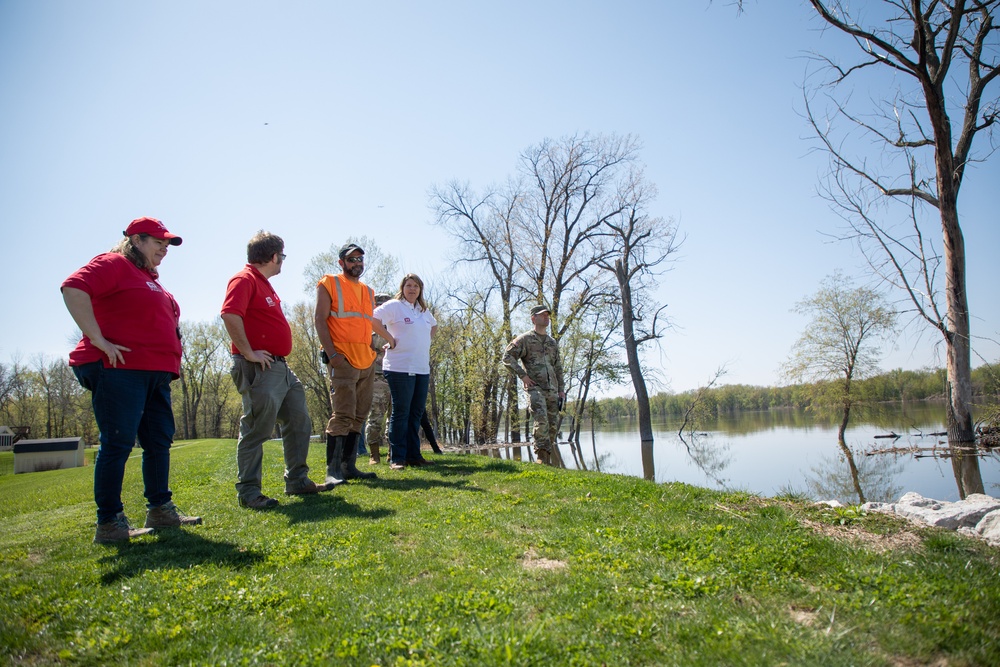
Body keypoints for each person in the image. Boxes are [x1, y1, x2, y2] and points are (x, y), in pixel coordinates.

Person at [61, 217, 202, 543]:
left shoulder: (148, 277)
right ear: (135, 240)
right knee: (118, 442)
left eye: (167, 245)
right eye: (158, 243)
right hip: (119, 370)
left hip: (155, 374)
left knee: (158, 442)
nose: (164, 250)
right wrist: (98, 339)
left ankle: (160, 510)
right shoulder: (113, 263)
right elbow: (73, 287)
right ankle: (109, 523)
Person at [221, 231, 331, 510]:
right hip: (259, 366)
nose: (282, 261)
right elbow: (230, 314)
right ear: (273, 256)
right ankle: (249, 492)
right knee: (257, 428)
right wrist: (248, 352)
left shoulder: (264, 284)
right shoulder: (244, 279)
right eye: (282, 256)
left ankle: (297, 480)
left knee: (298, 419)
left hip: (280, 367)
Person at [315, 243, 396, 485]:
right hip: (343, 359)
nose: (357, 263)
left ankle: (349, 467)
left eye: (360, 259)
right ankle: (333, 471)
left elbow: (367, 325)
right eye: (352, 259)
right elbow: (320, 320)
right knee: (342, 414)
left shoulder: (368, 291)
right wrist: (332, 354)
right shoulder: (329, 283)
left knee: (359, 415)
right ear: (342, 262)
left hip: (366, 361)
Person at [373, 273, 438, 469]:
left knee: (416, 413)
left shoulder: (423, 310)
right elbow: (373, 319)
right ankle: (397, 458)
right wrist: (390, 340)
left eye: (416, 286)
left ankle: (413, 455)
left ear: (420, 290)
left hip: (421, 368)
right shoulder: (394, 306)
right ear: (403, 288)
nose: (412, 289)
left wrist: (423, 342)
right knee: (401, 412)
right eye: (409, 285)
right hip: (399, 367)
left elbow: (433, 326)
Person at [502, 304, 566, 465]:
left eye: (547, 315)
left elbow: (558, 367)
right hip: (535, 388)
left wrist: (561, 390)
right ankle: (541, 457)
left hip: (552, 389)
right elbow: (507, 357)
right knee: (541, 419)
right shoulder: (525, 339)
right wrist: (523, 376)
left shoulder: (552, 343)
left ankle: (548, 457)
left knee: (552, 424)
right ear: (533, 318)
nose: (546, 317)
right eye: (542, 315)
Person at [365, 293, 393, 465]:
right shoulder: (368, 327)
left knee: (395, 417)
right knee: (375, 415)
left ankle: (393, 452)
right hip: (376, 376)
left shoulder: (396, 326)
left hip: (396, 374)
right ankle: (374, 454)